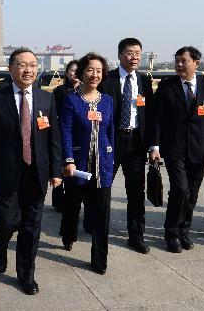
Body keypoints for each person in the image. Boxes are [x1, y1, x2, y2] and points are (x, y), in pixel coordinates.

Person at [0, 48, 63, 295]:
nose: (29, 70)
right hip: (5, 173)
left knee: (31, 225)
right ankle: (1, 245)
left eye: (33, 65)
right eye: (22, 65)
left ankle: (27, 275)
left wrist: (56, 170)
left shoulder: (46, 99)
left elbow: (54, 138)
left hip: (37, 172)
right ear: (11, 68)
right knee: (7, 221)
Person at [149, 46, 204, 253]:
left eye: (184, 61)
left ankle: (184, 231)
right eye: (177, 61)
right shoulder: (167, 86)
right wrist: (154, 145)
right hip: (174, 149)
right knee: (180, 190)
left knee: (192, 194)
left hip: (199, 150)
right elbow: (157, 118)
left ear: (196, 63)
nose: (179, 64)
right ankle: (171, 233)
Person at [60, 53, 115, 274]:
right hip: (78, 166)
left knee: (101, 217)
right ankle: (68, 234)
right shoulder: (71, 100)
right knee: (72, 207)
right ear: (82, 72)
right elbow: (65, 130)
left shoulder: (108, 101)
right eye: (90, 70)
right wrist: (68, 159)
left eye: (99, 71)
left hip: (103, 166)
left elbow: (110, 133)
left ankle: (99, 260)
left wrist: (110, 156)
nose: (94, 75)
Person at [98, 38, 155, 254]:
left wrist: (152, 145)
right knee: (102, 187)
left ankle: (136, 235)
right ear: (121, 55)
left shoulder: (144, 81)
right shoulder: (107, 80)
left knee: (136, 192)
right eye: (130, 53)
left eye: (138, 53)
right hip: (112, 141)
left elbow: (149, 115)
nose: (135, 57)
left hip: (136, 142)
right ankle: (96, 224)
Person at [50, 59, 80, 213]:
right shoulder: (60, 90)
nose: (75, 73)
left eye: (77, 70)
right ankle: (58, 200)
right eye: (72, 70)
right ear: (67, 72)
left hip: (80, 133)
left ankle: (72, 198)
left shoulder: (85, 90)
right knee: (61, 164)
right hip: (63, 131)